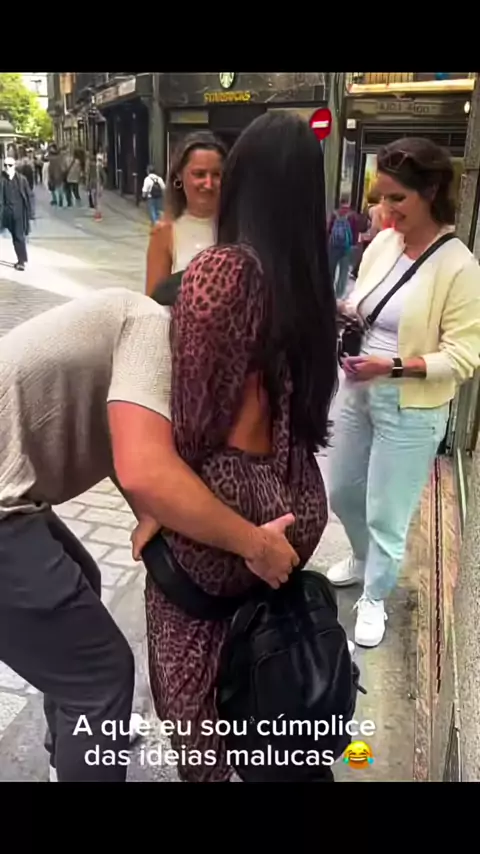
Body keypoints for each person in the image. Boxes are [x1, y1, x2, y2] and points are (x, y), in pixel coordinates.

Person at [0, 287, 299, 783]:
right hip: (5, 510)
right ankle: (88, 723)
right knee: (100, 679)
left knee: (82, 580)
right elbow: (145, 468)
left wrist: (150, 509)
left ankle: (72, 746)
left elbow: (125, 437)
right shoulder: (150, 327)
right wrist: (256, 545)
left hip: (13, 494)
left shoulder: (125, 324)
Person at [142, 111, 339, 782]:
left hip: (229, 520)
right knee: (260, 670)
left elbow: (194, 427)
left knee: (197, 706)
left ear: (243, 180)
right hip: (297, 503)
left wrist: (160, 498)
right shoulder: (310, 279)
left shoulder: (222, 271)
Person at [327, 137, 480, 648]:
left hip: (411, 406)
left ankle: (375, 595)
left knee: (386, 512)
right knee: (342, 491)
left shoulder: (459, 266)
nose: (385, 210)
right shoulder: (385, 244)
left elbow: (464, 356)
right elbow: (363, 301)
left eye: (398, 198)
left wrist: (391, 366)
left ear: (431, 191)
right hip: (358, 388)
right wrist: (344, 313)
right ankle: (362, 557)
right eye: (382, 196)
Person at [145, 132, 226, 296]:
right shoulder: (165, 232)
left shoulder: (240, 226)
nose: (208, 184)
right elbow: (152, 303)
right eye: (199, 174)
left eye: (216, 175)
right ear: (179, 176)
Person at [0, 156, 34, 271]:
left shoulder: (21, 180)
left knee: (18, 236)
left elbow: (29, 196)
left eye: (10, 165)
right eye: (5, 165)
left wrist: (31, 212)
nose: (7, 168)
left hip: (18, 213)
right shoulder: (1, 179)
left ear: (14, 166)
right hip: (3, 212)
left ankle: (21, 261)